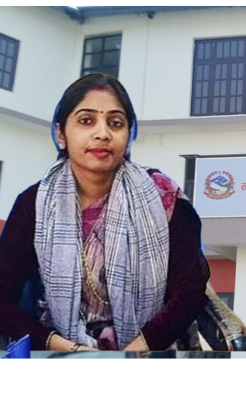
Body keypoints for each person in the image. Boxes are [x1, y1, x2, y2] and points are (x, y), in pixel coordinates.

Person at [0, 73, 210, 351]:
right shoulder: (34, 204)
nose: (103, 133)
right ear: (61, 134)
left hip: (152, 353)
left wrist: (132, 354)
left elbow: (190, 290)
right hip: (60, 355)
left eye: (115, 123)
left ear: (129, 135)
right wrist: (66, 349)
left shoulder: (164, 197)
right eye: (86, 121)